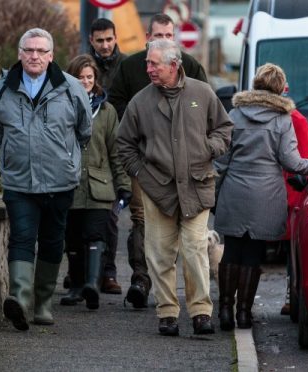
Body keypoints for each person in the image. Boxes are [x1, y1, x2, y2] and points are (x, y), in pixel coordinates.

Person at [117, 39, 233, 336]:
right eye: (147, 63)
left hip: (197, 186)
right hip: (158, 190)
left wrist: (209, 148)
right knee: (159, 253)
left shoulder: (201, 92)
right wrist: (141, 173)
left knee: (195, 250)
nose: (148, 68)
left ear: (174, 65)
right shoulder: (140, 101)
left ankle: (201, 312)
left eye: (154, 63)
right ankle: (167, 312)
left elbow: (224, 128)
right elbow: (124, 144)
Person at [0, 28, 92, 331]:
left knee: (51, 240)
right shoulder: (2, 88)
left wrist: (64, 155)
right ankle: (20, 300)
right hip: (19, 181)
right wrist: (14, 153)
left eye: (41, 51)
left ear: (51, 56)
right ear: (20, 53)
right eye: (29, 50)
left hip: (59, 181)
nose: (34, 56)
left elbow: (85, 130)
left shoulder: (71, 87)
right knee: (21, 237)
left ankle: (43, 303)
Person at [109, 13, 209, 309]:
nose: (164, 41)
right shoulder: (131, 67)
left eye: (168, 36)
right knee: (143, 221)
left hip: (187, 166)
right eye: (158, 36)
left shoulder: (190, 66)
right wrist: (145, 125)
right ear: (147, 38)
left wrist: (204, 148)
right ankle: (142, 279)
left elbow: (209, 112)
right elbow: (116, 107)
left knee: (191, 238)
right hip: (147, 161)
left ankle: (197, 304)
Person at [213, 63, 308, 331]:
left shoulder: (235, 115)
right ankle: (244, 314)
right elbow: (292, 162)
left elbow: (221, 160)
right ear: (280, 87)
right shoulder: (282, 120)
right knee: (253, 254)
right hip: (265, 195)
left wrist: (212, 191)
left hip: (234, 191)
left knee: (232, 250)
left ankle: (224, 311)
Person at [60, 54, 131, 310]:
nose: (86, 81)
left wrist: (124, 185)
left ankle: (92, 284)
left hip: (100, 185)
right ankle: (76, 287)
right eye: (81, 78)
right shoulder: (62, 105)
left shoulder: (108, 111)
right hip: (70, 183)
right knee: (73, 237)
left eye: (90, 77)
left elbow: (115, 151)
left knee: (95, 234)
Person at [88, 18, 128, 295]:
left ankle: (109, 273)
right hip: (89, 149)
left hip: (117, 146)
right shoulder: (82, 67)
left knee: (111, 217)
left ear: (115, 38)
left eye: (109, 39)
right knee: (80, 216)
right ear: (92, 40)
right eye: (100, 40)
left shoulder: (125, 66)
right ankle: (84, 271)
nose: (105, 45)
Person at [280, 99, 308, 315]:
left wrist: (292, 198)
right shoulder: (288, 117)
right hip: (277, 192)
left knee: (291, 250)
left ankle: (290, 295)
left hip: (288, 193)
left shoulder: (296, 120)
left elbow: (300, 161)